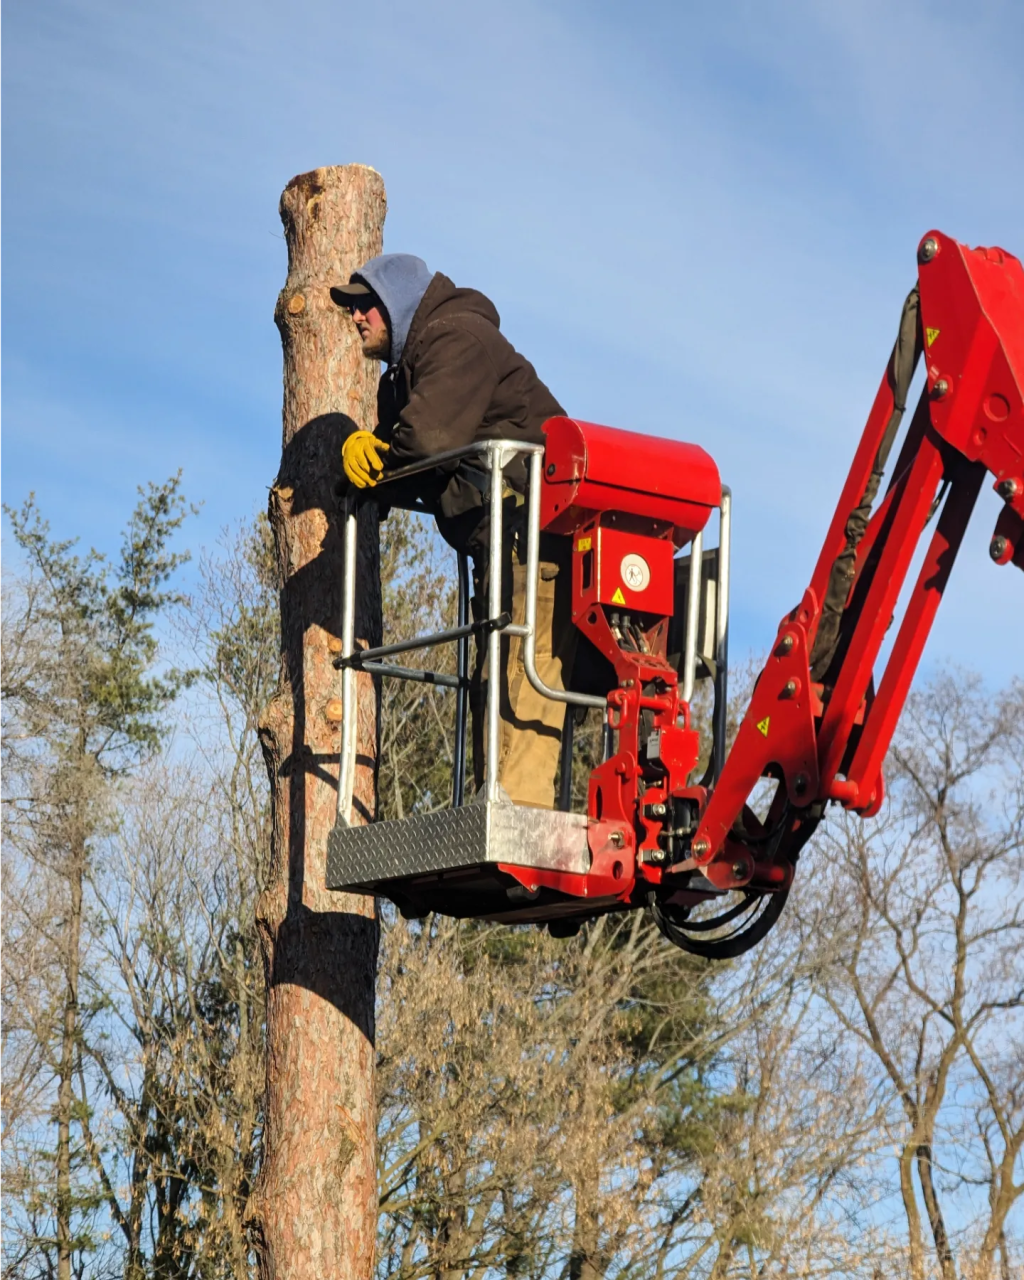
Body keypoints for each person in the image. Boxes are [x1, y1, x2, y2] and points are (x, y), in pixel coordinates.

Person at [330, 253, 575, 808]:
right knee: (493, 678)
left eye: (366, 304)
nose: (356, 317)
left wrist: (380, 458)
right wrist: (362, 470)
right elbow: (408, 461)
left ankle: (518, 819)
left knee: (524, 676)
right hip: (499, 545)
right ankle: (493, 805)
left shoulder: (457, 338)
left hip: (538, 537)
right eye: (352, 308)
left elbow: (427, 440)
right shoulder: (405, 378)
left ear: (397, 302)